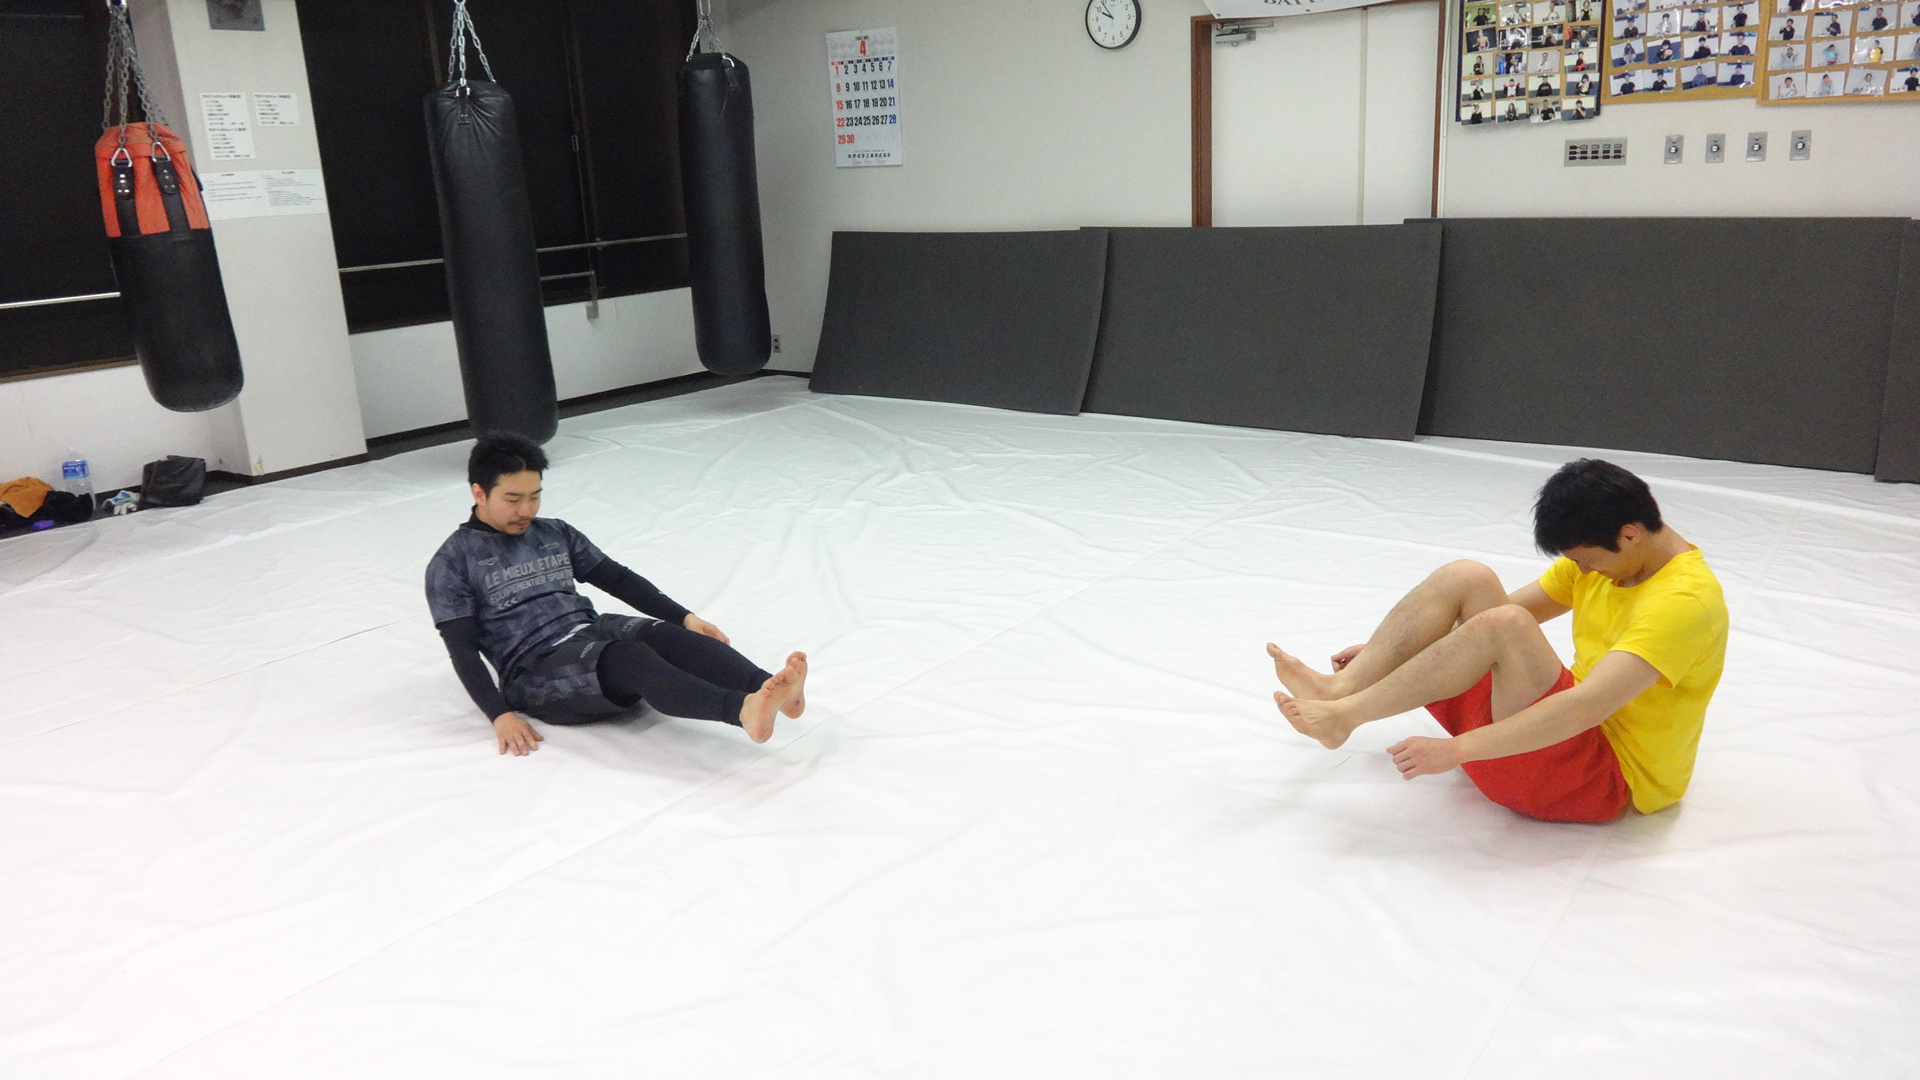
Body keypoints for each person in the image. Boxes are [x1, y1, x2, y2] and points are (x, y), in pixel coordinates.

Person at [1268, 460, 1727, 824]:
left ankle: (1344, 717)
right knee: (1468, 577)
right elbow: (1485, 621)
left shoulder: (1684, 603)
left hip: (1597, 779)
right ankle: (1339, 692)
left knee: (1508, 624)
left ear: (1629, 534)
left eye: (1587, 561)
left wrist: (1456, 751)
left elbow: (1586, 707)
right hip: (1544, 739)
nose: (1584, 572)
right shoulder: (1606, 558)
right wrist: (1385, 656)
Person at [427, 433, 809, 754]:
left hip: (589, 630)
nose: (526, 510)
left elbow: (617, 579)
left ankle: (776, 690)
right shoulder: (452, 563)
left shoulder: (554, 532)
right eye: (513, 499)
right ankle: (743, 710)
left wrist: (686, 617)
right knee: (631, 657)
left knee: (666, 635)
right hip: (535, 669)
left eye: (535, 496)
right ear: (479, 492)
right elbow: (462, 649)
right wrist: (499, 715)